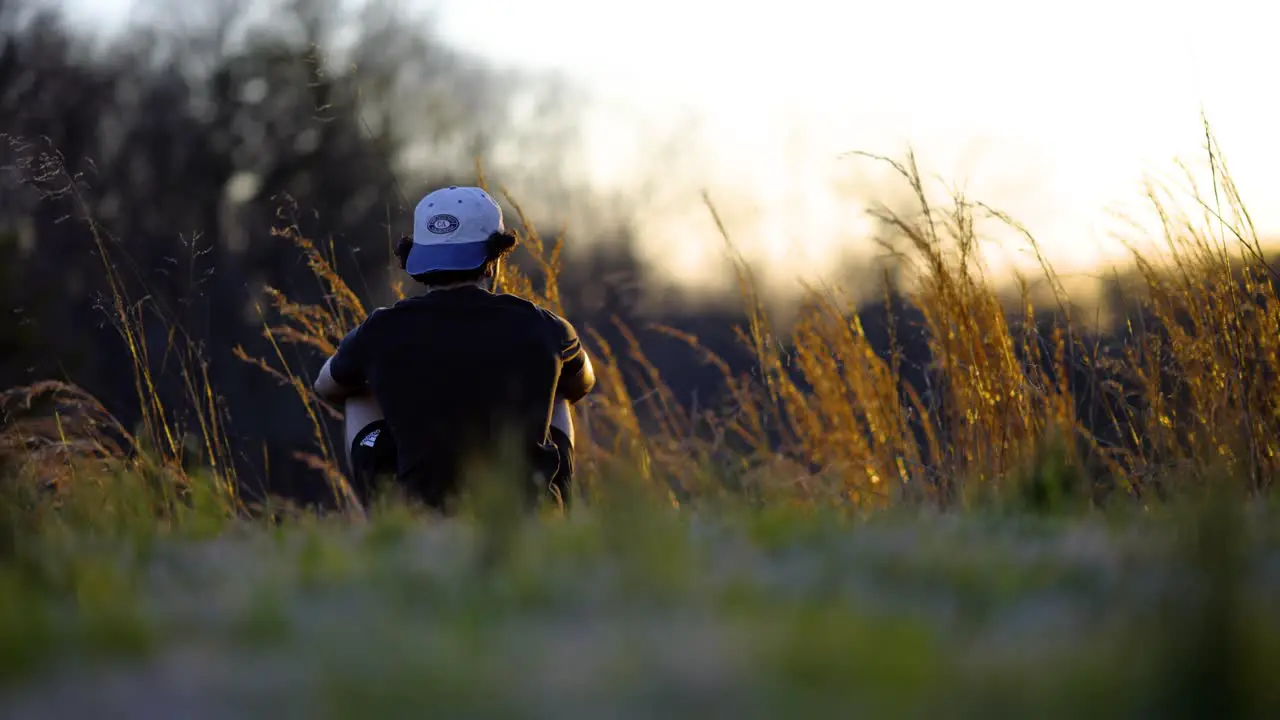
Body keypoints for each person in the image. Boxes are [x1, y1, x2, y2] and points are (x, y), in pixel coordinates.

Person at [312, 185, 595, 511]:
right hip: (521, 512)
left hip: (421, 513)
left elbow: (325, 385)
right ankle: (560, 509)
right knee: (557, 388)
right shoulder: (545, 326)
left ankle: (385, 516)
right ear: (493, 260)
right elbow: (582, 383)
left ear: (419, 258)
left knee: (356, 391)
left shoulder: (380, 329)